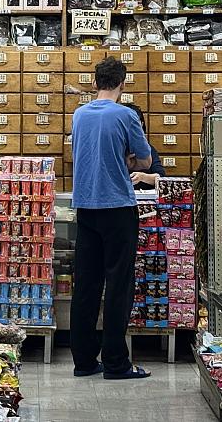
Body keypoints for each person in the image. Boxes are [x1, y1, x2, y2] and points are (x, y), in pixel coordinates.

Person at [70, 56, 153, 380]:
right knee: (119, 285)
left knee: (86, 286)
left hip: (86, 206)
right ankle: (117, 363)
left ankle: (84, 361)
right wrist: (130, 160)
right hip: (117, 207)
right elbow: (145, 161)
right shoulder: (127, 115)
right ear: (122, 83)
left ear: (95, 82)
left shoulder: (79, 114)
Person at [122, 102, 166, 189]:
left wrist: (143, 177)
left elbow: (161, 177)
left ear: (141, 125)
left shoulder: (148, 148)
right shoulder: (112, 147)